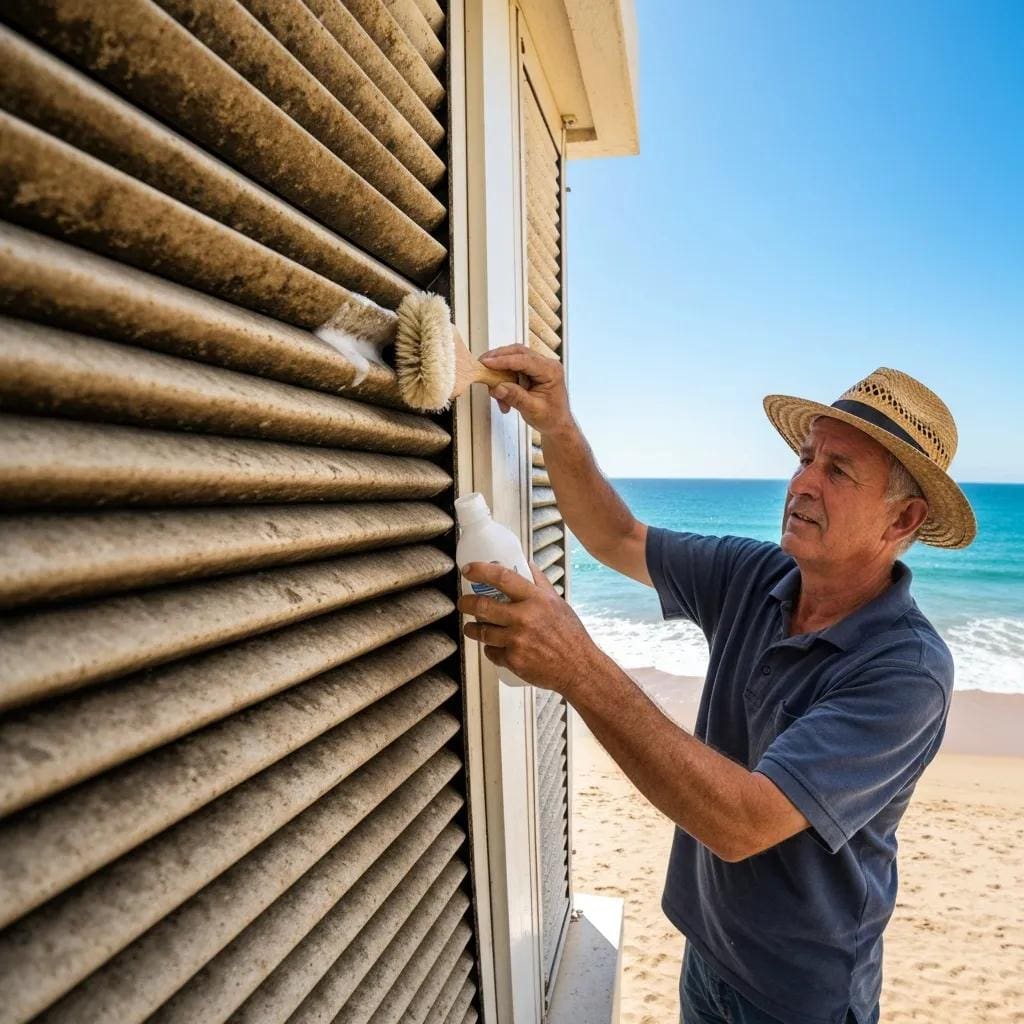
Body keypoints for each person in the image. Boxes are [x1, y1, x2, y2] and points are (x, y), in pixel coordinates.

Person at [457, 348, 977, 1024]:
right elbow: (615, 536)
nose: (803, 485)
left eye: (838, 470)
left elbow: (743, 822)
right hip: (708, 956)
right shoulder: (756, 575)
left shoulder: (907, 669)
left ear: (902, 521)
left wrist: (577, 667)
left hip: (798, 999)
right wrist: (557, 426)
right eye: (806, 459)